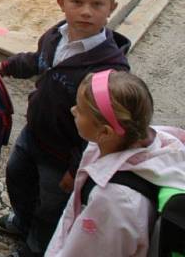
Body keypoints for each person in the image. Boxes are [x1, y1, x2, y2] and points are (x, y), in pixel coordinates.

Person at [0, 0, 131, 256]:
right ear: (61, 3)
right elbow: (37, 61)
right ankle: (21, 220)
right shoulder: (56, 36)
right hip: (33, 134)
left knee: (52, 206)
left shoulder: (109, 68)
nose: (86, 12)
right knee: (17, 177)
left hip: (63, 155)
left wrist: (75, 168)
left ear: (111, 8)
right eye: (77, 2)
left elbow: (101, 127)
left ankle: (36, 247)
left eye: (97, 4)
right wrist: (3, 67)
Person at [46, 70, 185, 256]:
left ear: (105, 132)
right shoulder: (151, 137)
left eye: (80, 109)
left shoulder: (113, 201)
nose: (73, 110)